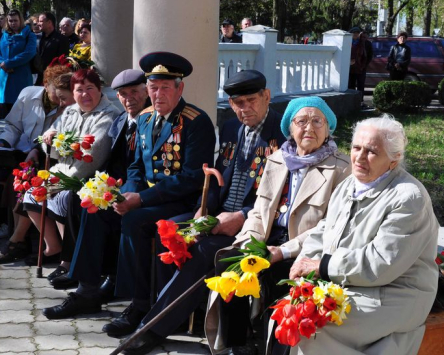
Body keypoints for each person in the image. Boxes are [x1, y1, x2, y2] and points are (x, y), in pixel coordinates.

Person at [43, 52, 216, 330]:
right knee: (95, 208)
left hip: (178, 202)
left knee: (134, 221)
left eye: (165, 87)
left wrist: (140, 200)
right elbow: (136, 166)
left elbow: (191, 178)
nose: (158, 94)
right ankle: (87, 291)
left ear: (179, 88)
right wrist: (125, 196)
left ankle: (140, 303)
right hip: (143, 197)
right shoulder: (146, 119)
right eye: (153, 88)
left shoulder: (195, 121)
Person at [123, 70, 286, 355]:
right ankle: (181, 314)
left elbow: (282, 193)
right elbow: (216, 176)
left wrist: (242, 215)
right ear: (231, 104)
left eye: (251, 100)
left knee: (204, 250)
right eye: (238, 103)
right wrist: (203, 208)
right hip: (220, 214)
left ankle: (154, 328)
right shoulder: (231, 127)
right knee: (170, 232)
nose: (245, 109)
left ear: (267, 97)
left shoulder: (283, 132)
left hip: (257, 223)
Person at [205, 96, 351, 354]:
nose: (309, 128)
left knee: (280, 275)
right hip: (267, 237)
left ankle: (273, 347)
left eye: (318, 121)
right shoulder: (277, 159)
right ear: (290, 129)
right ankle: (238, 344)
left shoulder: (341, 169)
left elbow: (330, 226)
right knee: (229, 261)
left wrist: (282, 251)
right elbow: (259, 210)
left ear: (328, 128)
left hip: (305, 247)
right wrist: (249, 241)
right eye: (301, 121)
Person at [288, 114, 439, 355]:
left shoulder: (409, 198)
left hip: (395, 295)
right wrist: (303, 267)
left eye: (371, 152)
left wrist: (322, 266)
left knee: (313, 327)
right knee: (288, 311)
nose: (359, 157)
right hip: (346, 283)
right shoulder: (349, 184)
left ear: (394, 159)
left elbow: (381, 263)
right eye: (356, 147)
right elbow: (324, 230)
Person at [45, 69, 150, 292]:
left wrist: (121, 191)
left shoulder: (144, 119)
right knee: (80, 198)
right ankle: (83, 278)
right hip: (117, 182)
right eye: (123, 94)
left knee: (86, 202)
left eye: (134, 92)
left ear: (145, 92)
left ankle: (97, 281)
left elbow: (101, 156)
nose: (129, 98)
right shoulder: (122, 119)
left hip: (139, 190)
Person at [19, 68, 118, 270]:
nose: (85, 94)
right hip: (62, 171)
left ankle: (70, 259)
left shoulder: (108, 115)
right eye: (79, 90)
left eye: (90, 88)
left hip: (89, 177)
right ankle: (53, 247)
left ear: (99, 90)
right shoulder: (71, 111)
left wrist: (61, 177)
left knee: (62, 197)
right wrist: (55, 142)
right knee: (31, 195)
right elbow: (47, 143)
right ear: (73, 93)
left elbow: (92, 155)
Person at [0, 60, 73, 241]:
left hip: (42, 156)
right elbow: (13, 125)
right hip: (19, 150)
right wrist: (3, 142)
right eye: (56, 93)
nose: (60, 99)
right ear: (45, 85)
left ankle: (10, 227)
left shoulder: (68, 105)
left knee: (13, 179)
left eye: (63, 94)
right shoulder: (28, 94)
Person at [0, 9, 36, 119]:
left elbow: (29, 53)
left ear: (20, 20)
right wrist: (1, 63)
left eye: (15, 20)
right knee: (5, 112)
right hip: (4, 77)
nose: (13, 23)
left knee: (20, 111)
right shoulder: (5, 35)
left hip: (20, 77)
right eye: (10, 21)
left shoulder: (29, 35)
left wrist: (8, 63)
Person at [37, 11, 70, 84]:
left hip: (53, 78)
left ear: (49, 22)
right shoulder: (37, 38)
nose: (38, 23)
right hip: (37, 78)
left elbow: (62, 61)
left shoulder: (61, 39)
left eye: (41, 21)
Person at [348, 26, 368, 104]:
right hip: (350, 69)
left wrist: (362, 66)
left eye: (357, 33)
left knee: (360, 86)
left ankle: (360, 102)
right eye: (354, 33)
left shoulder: (362, 43)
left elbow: (365, 57)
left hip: (360, 69)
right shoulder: (347, 43)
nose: (355, 35)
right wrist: (348, 62)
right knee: (351, 86)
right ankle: (351, 102)